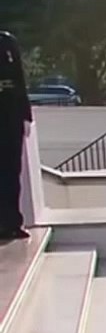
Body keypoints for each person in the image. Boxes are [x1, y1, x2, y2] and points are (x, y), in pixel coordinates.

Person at [0, 31, 32, 240]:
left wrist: (25, 114)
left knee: (12, 170)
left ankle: (12, 222)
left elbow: (19, 79)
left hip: (10, 112)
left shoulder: (8, 41)